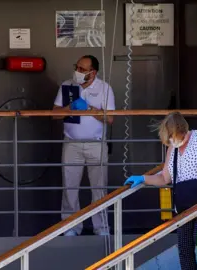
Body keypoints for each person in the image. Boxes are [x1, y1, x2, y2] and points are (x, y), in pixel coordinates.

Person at [124, 112, 197, 270]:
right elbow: (164, 178)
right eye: (169, 138)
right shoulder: (172, 149)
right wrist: (143, 178)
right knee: (184, 246)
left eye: (173, 136)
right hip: (185, 202)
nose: (172, 141)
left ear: (182, 130)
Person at [52, 55, 115, 236]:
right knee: (70, 188)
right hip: (71, 143)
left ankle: (101, 228)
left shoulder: (105, 88)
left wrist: (88, 109)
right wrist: (70, 108)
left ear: (92, 72)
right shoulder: (67, 85)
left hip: (96, 144)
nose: (77, 72)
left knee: (99, 188)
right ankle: (70, 228)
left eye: (82, 69)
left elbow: (110, 118)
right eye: (77, 67)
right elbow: (54, 114)